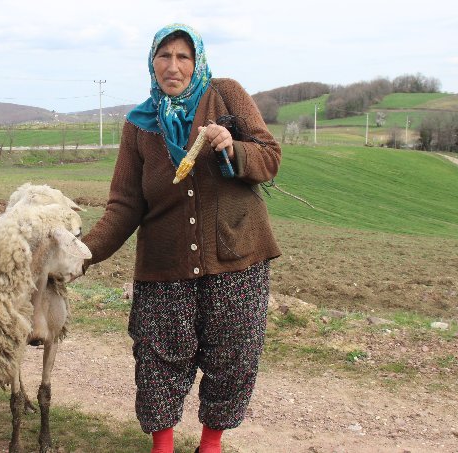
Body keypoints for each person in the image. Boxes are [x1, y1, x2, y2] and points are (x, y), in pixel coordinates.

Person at [80, 23, 282, 453]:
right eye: (164, 56)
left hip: (235, 255)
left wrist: (234, 148)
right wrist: (82, 253)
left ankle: (211, 445)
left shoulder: (226, 94)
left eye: (183, 57)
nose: (173, 66)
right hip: (164, 261)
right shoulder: (139, 125)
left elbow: (269, 158)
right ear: (152, 62)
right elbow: (124, 205)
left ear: (197, 62)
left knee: (233, 356)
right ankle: (163, 446)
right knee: (157, 359)